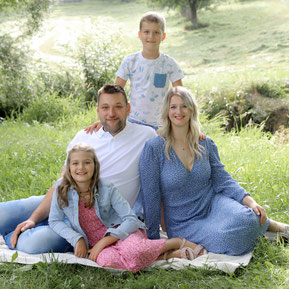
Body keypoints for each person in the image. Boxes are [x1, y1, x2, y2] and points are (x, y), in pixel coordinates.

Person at [0, 84, 156, 254]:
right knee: (3, 214)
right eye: (105, 107)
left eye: (118, 107)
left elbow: (174, 127)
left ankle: (14, 235)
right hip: (65, 202)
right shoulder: (84, 136)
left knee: (32, 244)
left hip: (95, 221)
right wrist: (33, 219)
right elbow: (62, 182)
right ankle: (33, 224)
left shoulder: (145, 135)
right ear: (97, 110)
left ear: (128, 109)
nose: (111, 113)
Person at [139, 86, 289, 255]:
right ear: (167, 110)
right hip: (183, 221)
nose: (178, 111)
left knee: (250, 217)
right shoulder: (154, 148)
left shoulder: (205, 143)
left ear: (192, 109)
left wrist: (250, 201)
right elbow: (150, 197)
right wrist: (153, 241)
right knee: (226, 239)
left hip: (213, 204)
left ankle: (265, 229)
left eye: (184, 106)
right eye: (173, 107)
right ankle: (265, 235)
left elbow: (222, 179)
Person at [49, 143, 206, 273]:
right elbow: (55, 220)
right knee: (109, 263)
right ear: (68, 167)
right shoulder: (61, 188)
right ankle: (167, 256)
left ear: (95, 166)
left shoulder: (106, 187)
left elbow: (130, 219)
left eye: (87, 162)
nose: (81, 167)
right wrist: (77, 239)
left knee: (134, 251)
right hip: (94, 242)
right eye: (75, 163)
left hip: (120, 233)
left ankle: (176, 242)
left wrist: (103, 243)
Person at [86, 11, 184, 133]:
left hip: (161, 123)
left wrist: (190, 125)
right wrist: (104, 120)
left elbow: (182, 96)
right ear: (139, 35)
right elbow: (115, 92)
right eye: (146, 32)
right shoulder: (130, 61)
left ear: (163, 36)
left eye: (156, 32)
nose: (151, 36)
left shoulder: (170, 64)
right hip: (133, 122)